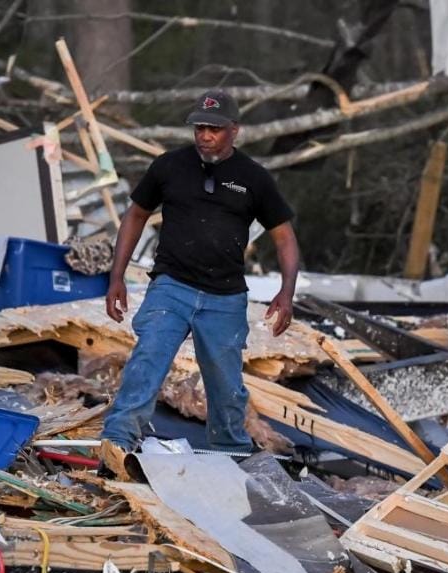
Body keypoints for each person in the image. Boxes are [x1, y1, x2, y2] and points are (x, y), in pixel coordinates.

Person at [99, 89, 299, 460]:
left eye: (214, 129)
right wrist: (116, 277)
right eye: (199, 128)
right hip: (171, 286)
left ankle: (230, 454)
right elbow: (136, 215)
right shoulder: (169, 166)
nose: (205, 135)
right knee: (147, 360)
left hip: (225, 297)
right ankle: (117, 443)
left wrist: (286, 292)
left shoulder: (253, 178)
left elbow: (284, 237)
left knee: (226, 385)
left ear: (234, 130)